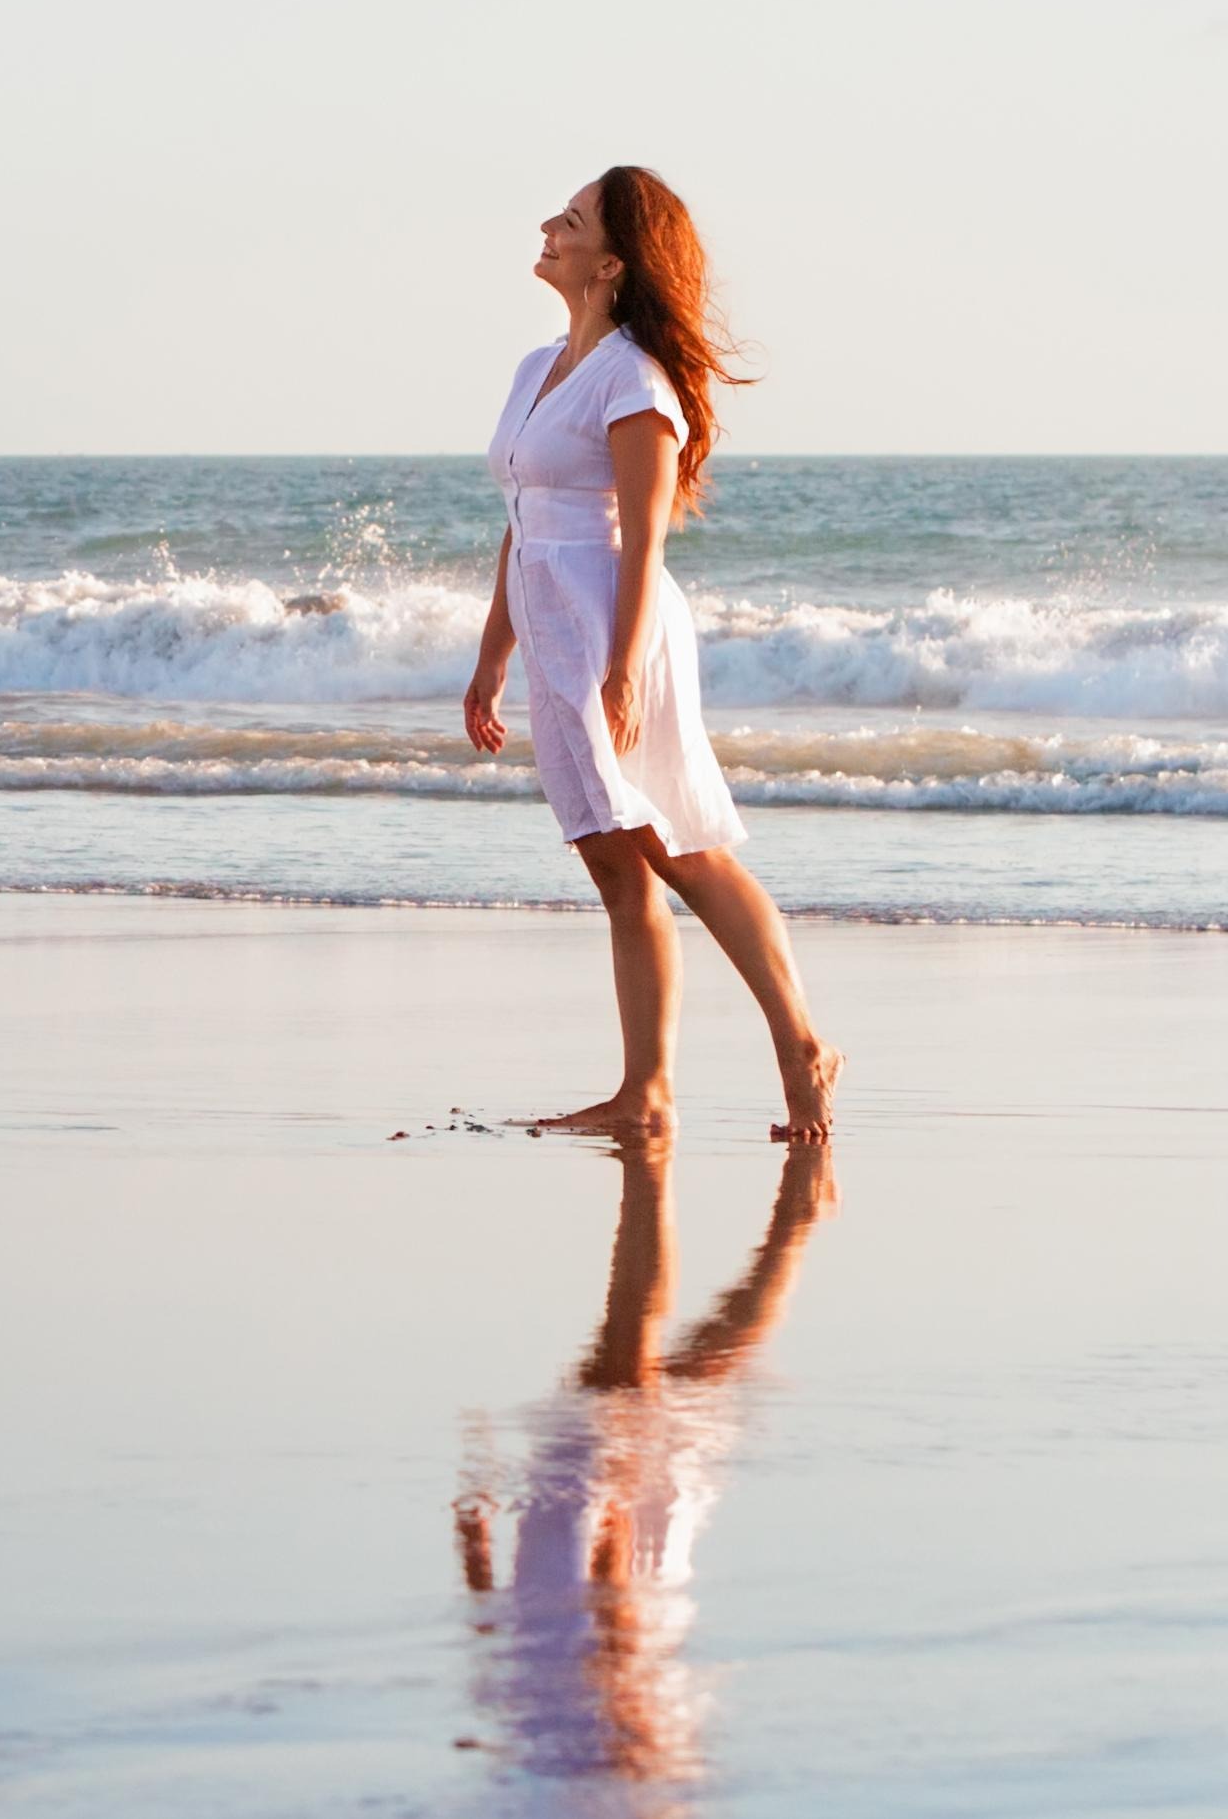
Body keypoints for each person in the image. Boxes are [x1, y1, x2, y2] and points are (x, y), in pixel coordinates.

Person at [464, 168, 841, 1141]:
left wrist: (624, 666)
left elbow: (646, 534)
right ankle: (647, 1091)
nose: (549, 226)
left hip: (613, 625)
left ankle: (801, 1045)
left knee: (678, 846)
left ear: (613, 263)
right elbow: (521, 517)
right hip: (551, 627)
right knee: (613, 862)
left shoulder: (634, 380)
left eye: (573, 220)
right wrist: (490, 655)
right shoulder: (536, 368)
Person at [456, 1132, 838, 1788]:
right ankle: (789, 1227)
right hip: (614, 1514)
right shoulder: (570, 1731)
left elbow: (498, 1635)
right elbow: (607, 1611)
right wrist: (620, 1490)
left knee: (668, 1359)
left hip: (597, 1508)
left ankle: (784, 1228)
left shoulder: (538, 1733)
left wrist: (477, 1544)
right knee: (674, 1362)